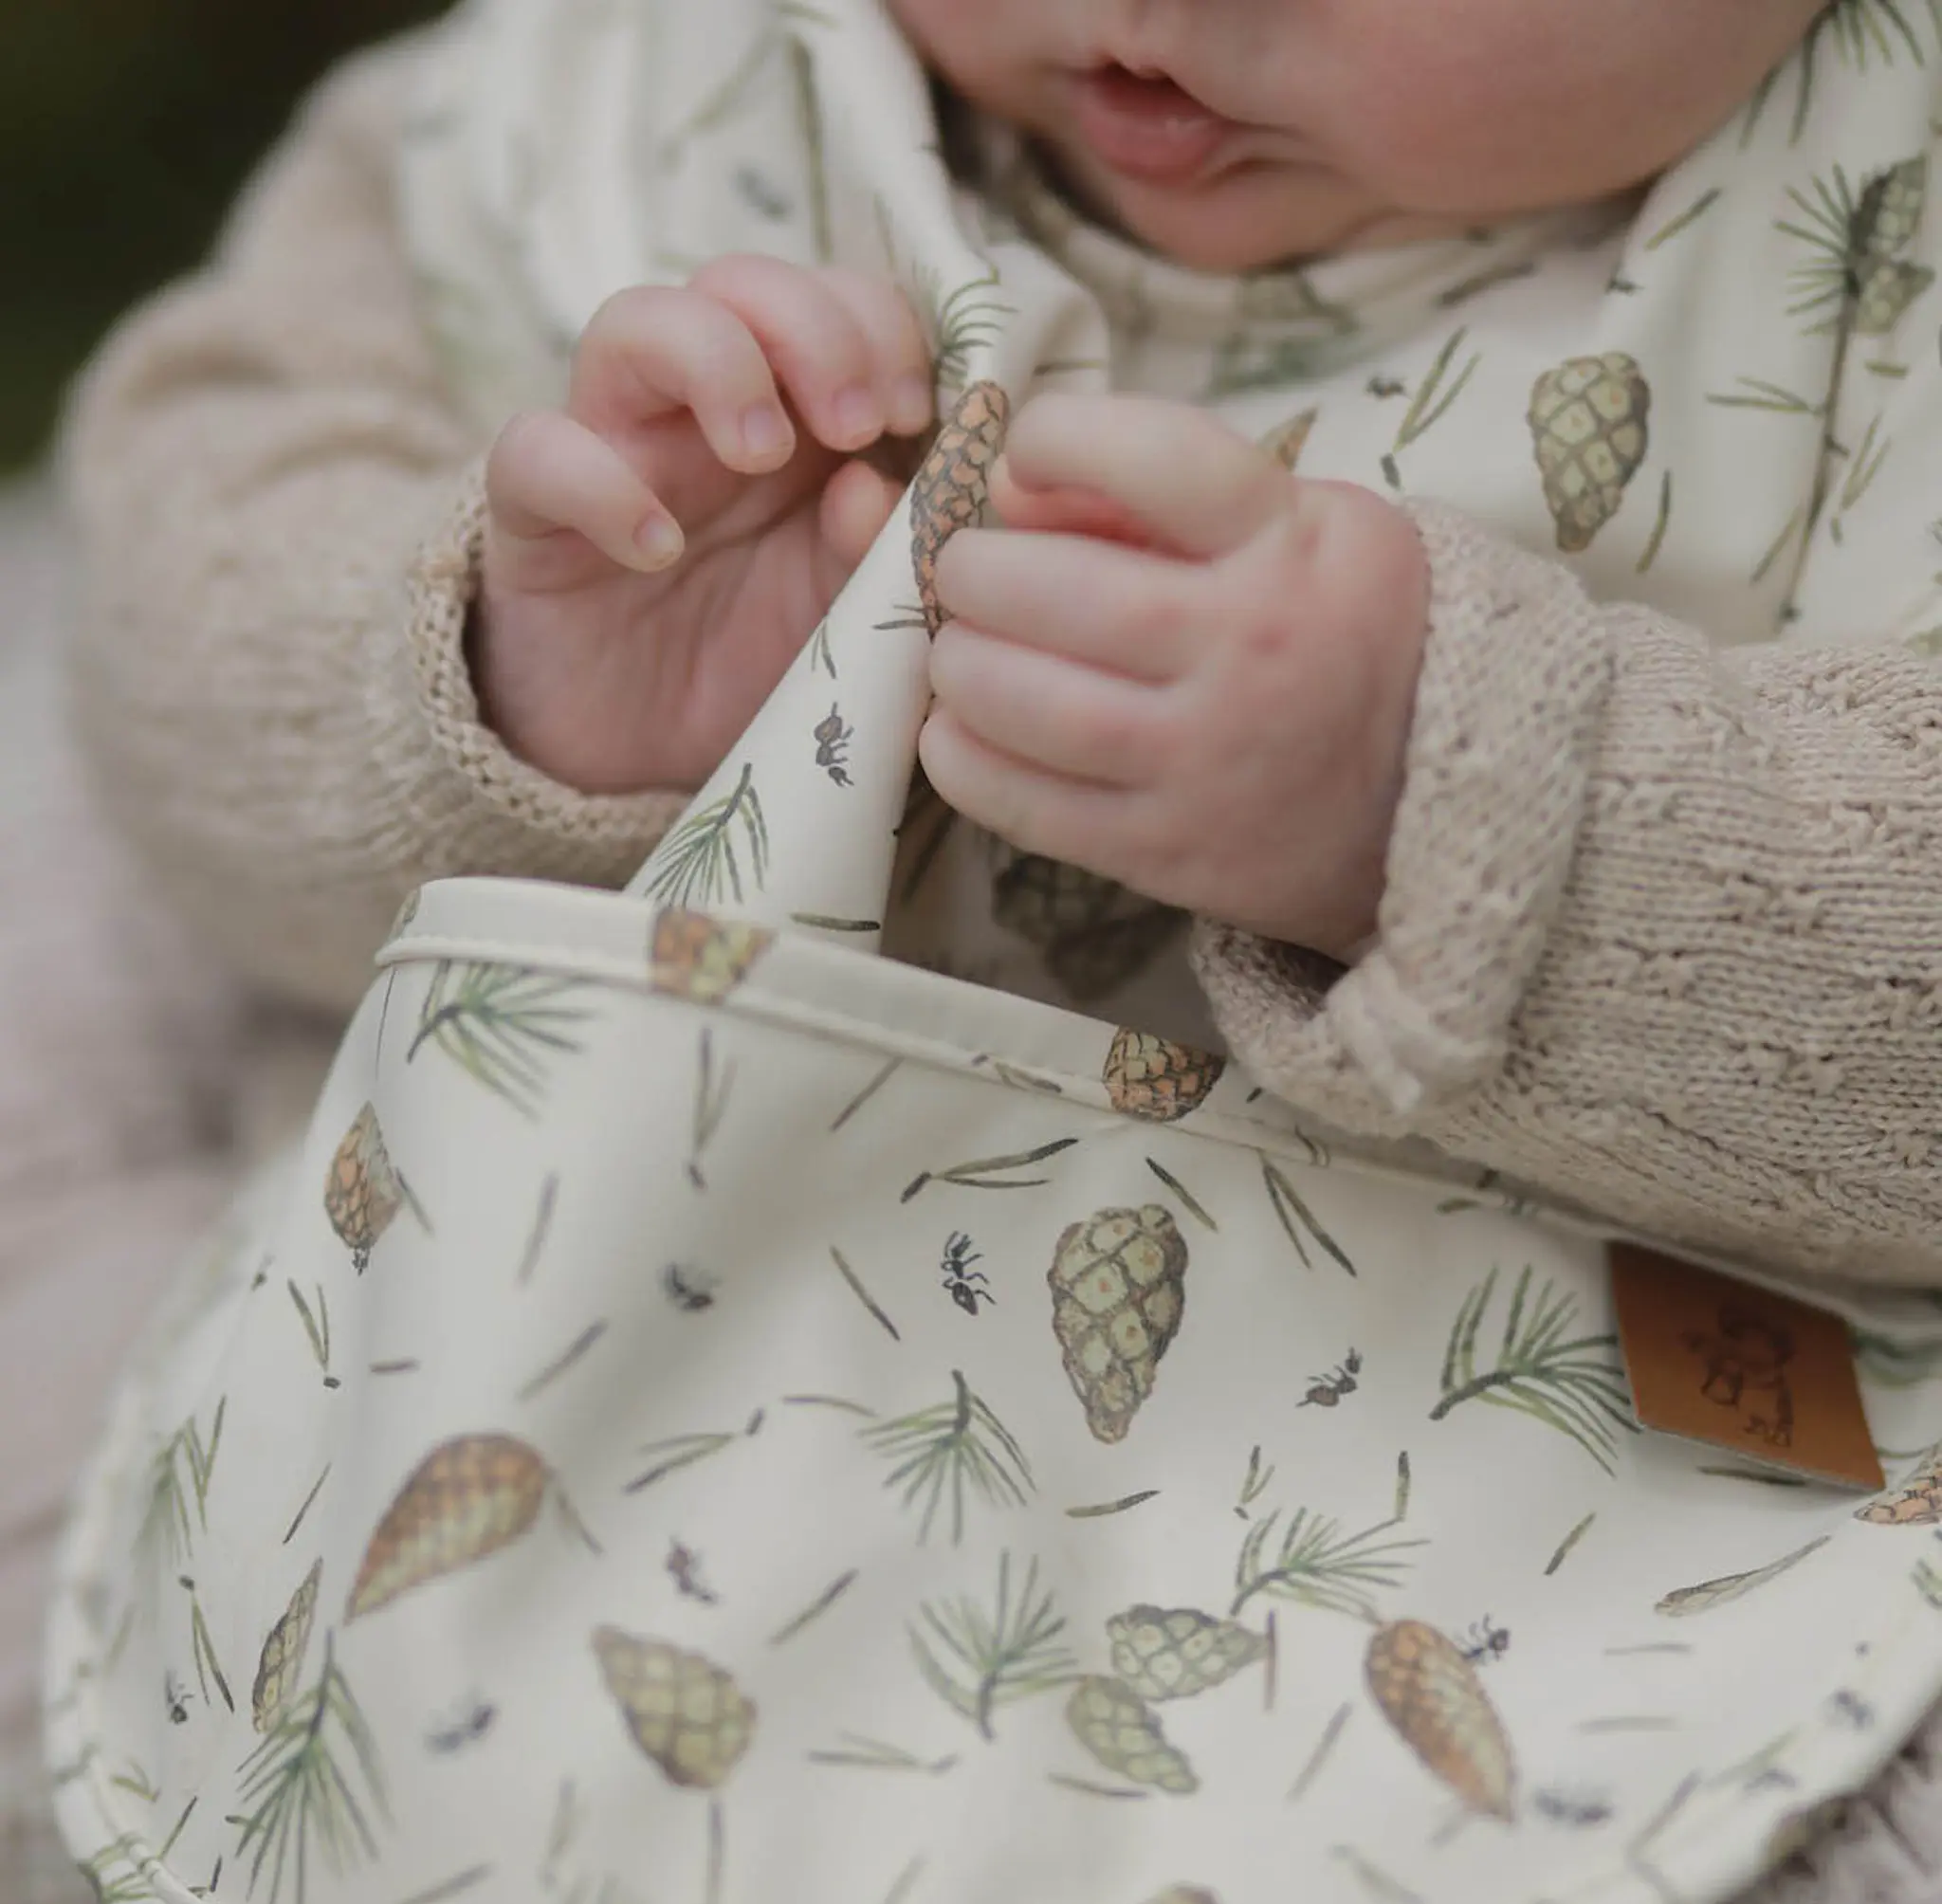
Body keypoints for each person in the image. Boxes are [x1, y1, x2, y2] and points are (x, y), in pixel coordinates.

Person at [58, 0, 1942, 1301]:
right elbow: (156, 619)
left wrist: (1446, 800)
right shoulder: (631, 99)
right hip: (588, 1337)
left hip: (1586, 1530)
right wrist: (504, 686)